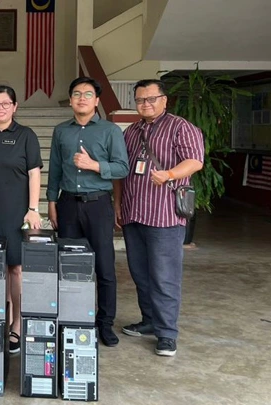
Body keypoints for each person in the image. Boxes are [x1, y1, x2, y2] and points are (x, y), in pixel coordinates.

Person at [118, 79, 204, 357]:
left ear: (164, 100)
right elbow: (122, 171)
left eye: (151, 98)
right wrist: (118, 204)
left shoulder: (181, 127)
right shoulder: (131, 131)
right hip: (134, 213)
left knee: (164, 276)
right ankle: (149, 321)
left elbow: (195, 161)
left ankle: (167, 333)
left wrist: (168, 174)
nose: (146, 104)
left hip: (165, 215)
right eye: (141, 100)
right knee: (140, 273)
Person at [47, 77, 129, 347]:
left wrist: (95, 165)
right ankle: (72, 318)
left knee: (104, 268)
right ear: (70, 100)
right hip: (68, 204)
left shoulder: (110, 131)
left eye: (88, 94)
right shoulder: (61, 131)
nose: (82, 98)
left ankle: (104, 323)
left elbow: (122, 168)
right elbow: (56, 170)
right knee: (68, 267)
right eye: (77, 94)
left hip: (98, 205)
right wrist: (51, 202)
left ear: (96, 100)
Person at [0, 85, 43, 354]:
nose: (0, 108)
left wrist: (34, 208)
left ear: (15, 107)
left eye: (6, 103)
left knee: (15, 268)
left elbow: (34, 173)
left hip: (17, 212)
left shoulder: (26, 135)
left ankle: (16, 323)